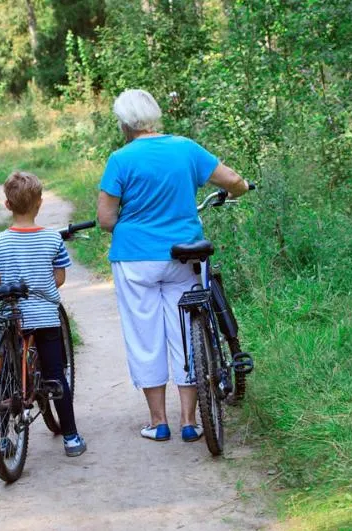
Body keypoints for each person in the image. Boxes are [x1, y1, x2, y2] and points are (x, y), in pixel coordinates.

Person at [96, 88, 250, 443]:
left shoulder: (120, 158)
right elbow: (233, 181)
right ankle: (190, 422)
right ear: (154, 116)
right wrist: (239, 189)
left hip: (135, 259)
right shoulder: (186, 148)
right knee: (186, 332)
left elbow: (106, 219)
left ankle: (158, 421)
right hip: (184, 255)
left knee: (145, 337)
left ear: (124, 124)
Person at [0, 171, 87, 457]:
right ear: (40, 203)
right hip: (44, 316)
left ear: (7, 205)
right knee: (56, 375)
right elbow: (59, 278)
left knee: (6, 375)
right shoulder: (53, 239)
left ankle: (3, 439)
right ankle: (71, 437)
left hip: (12, 318)